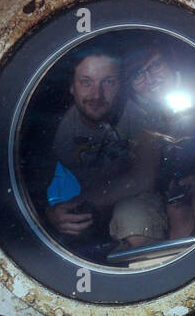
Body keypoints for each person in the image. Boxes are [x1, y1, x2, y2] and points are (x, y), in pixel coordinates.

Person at [44, 47, 167, 252]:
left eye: (108, 82)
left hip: (138, 198)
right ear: (72, 87)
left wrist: (81, 202)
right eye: (86, 82)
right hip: (90, 206)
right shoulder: (54, 128)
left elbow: (143, 178)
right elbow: (33, 184)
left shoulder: (139, 117)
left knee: (133, 218)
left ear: (120, 85)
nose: (97, 94)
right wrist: (50, 214)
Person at [121, 41, 195, 241]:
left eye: (156, 65)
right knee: (139, 216)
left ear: (171, 61)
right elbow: (140, 177)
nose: (150, 79)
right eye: (138, 75)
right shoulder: (133, 117)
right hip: (171, 194)